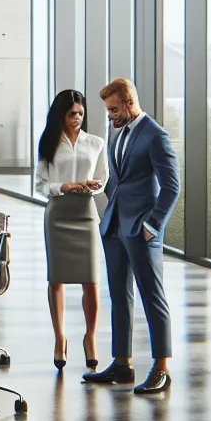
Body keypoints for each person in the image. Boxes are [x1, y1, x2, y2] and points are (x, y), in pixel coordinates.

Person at [86, 78, 179, 395]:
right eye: (108, 110)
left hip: (142, 229)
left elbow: (172, 187)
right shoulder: (118, 133)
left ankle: (162, 368)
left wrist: (153, 225)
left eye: (113, 109)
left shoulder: (156, 136)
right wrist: (104, 192)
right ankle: (122, 365)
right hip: (114, 226)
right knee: (120, 296)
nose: (110, 115)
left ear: (128, 103)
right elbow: (122, 179)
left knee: (153, 297)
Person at [35, 89, 108, 371]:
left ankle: (90, 337)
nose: (77, 118)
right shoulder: (48, 144)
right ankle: (59, 338)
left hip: (85, 213)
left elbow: (103, 178)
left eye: (80, 113)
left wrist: (93, 185)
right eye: (71, 114)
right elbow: (39, 184)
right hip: (58, 215)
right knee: (57, 279)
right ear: (60, 116)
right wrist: (63, 187)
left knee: (91, 280)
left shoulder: (96, 142)